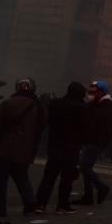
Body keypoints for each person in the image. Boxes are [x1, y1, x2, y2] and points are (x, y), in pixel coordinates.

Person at [0, 78, 47, 217]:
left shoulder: (8, 102)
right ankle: (30, 205)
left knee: (0, 180)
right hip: (25, 150)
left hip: (5, 148)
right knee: (22, 177)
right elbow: (40, 130)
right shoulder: (39, 106)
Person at [35, 82, 86, 214]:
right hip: (72, 147)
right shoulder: (81, 107)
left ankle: (40, 204)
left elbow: (49, 122)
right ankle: (62, 205)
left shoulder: (56, 104)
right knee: (67, 179)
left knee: (49, 176)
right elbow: (85, 128)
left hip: (55, 145)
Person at [73, 80, 112, 206]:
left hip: (96, 140)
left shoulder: (106, 105)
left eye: (93, 92)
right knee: (87, 167)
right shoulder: (97, 104)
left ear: (101, 92)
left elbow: (97, 122)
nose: (90, 94)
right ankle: (88, 197)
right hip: (92, 140)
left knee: (84, 166)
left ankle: (101, 187)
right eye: (89, 92)